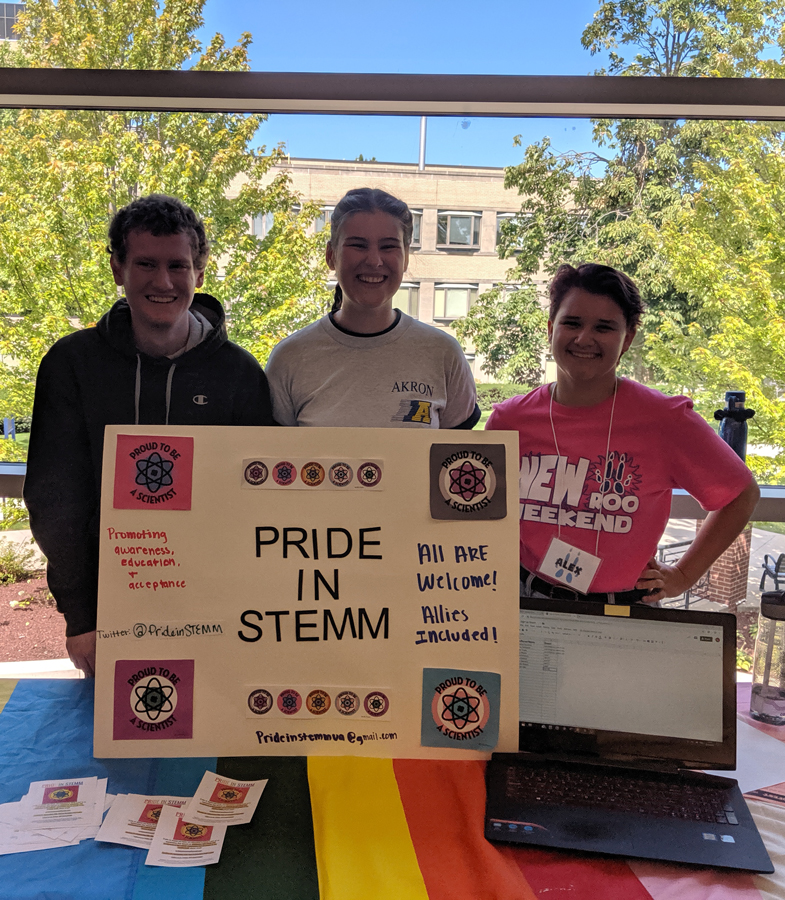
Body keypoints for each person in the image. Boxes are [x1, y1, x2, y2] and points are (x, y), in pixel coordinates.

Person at [24, 194, 274, 677]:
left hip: (217, 606)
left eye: (178, 265)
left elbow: (258, 502)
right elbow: (55, 499)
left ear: (199, 272)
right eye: (145, 264)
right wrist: (81, 613)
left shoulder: (239, 373)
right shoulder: (72, 364)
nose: (163, 282)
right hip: (107, 608)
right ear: (118, 267)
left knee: (207, 746)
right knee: (125, 733)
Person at [486, 263, 759, 604]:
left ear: (627, 339)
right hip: (527, 599)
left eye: (604, 327)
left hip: (628, 608)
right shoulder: (509, 420)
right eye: (572, 322)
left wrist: (684, 575)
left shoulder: (664, 420)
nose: (585, 338)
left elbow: (740, 494)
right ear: (550, 328)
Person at [265, 188, 480, 429]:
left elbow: (458, 460)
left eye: (388, 247)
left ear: (406, 256)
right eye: (358, 245)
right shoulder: (290, 359)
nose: (374, 260)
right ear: (330, 255)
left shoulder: (443, 354)